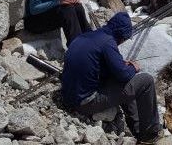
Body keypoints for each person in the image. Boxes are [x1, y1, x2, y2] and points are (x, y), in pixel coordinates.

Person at [61, 12, 161, 144]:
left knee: (124, 79)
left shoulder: (87, 36)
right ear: (121, 36)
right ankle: (150, 134)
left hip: (68, 97)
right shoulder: (108, 43)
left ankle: (137, 129)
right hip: (85, 102)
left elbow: (97, 66)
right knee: (145, 81)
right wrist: (133, 67)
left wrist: (120, 67)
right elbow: (123, 74)